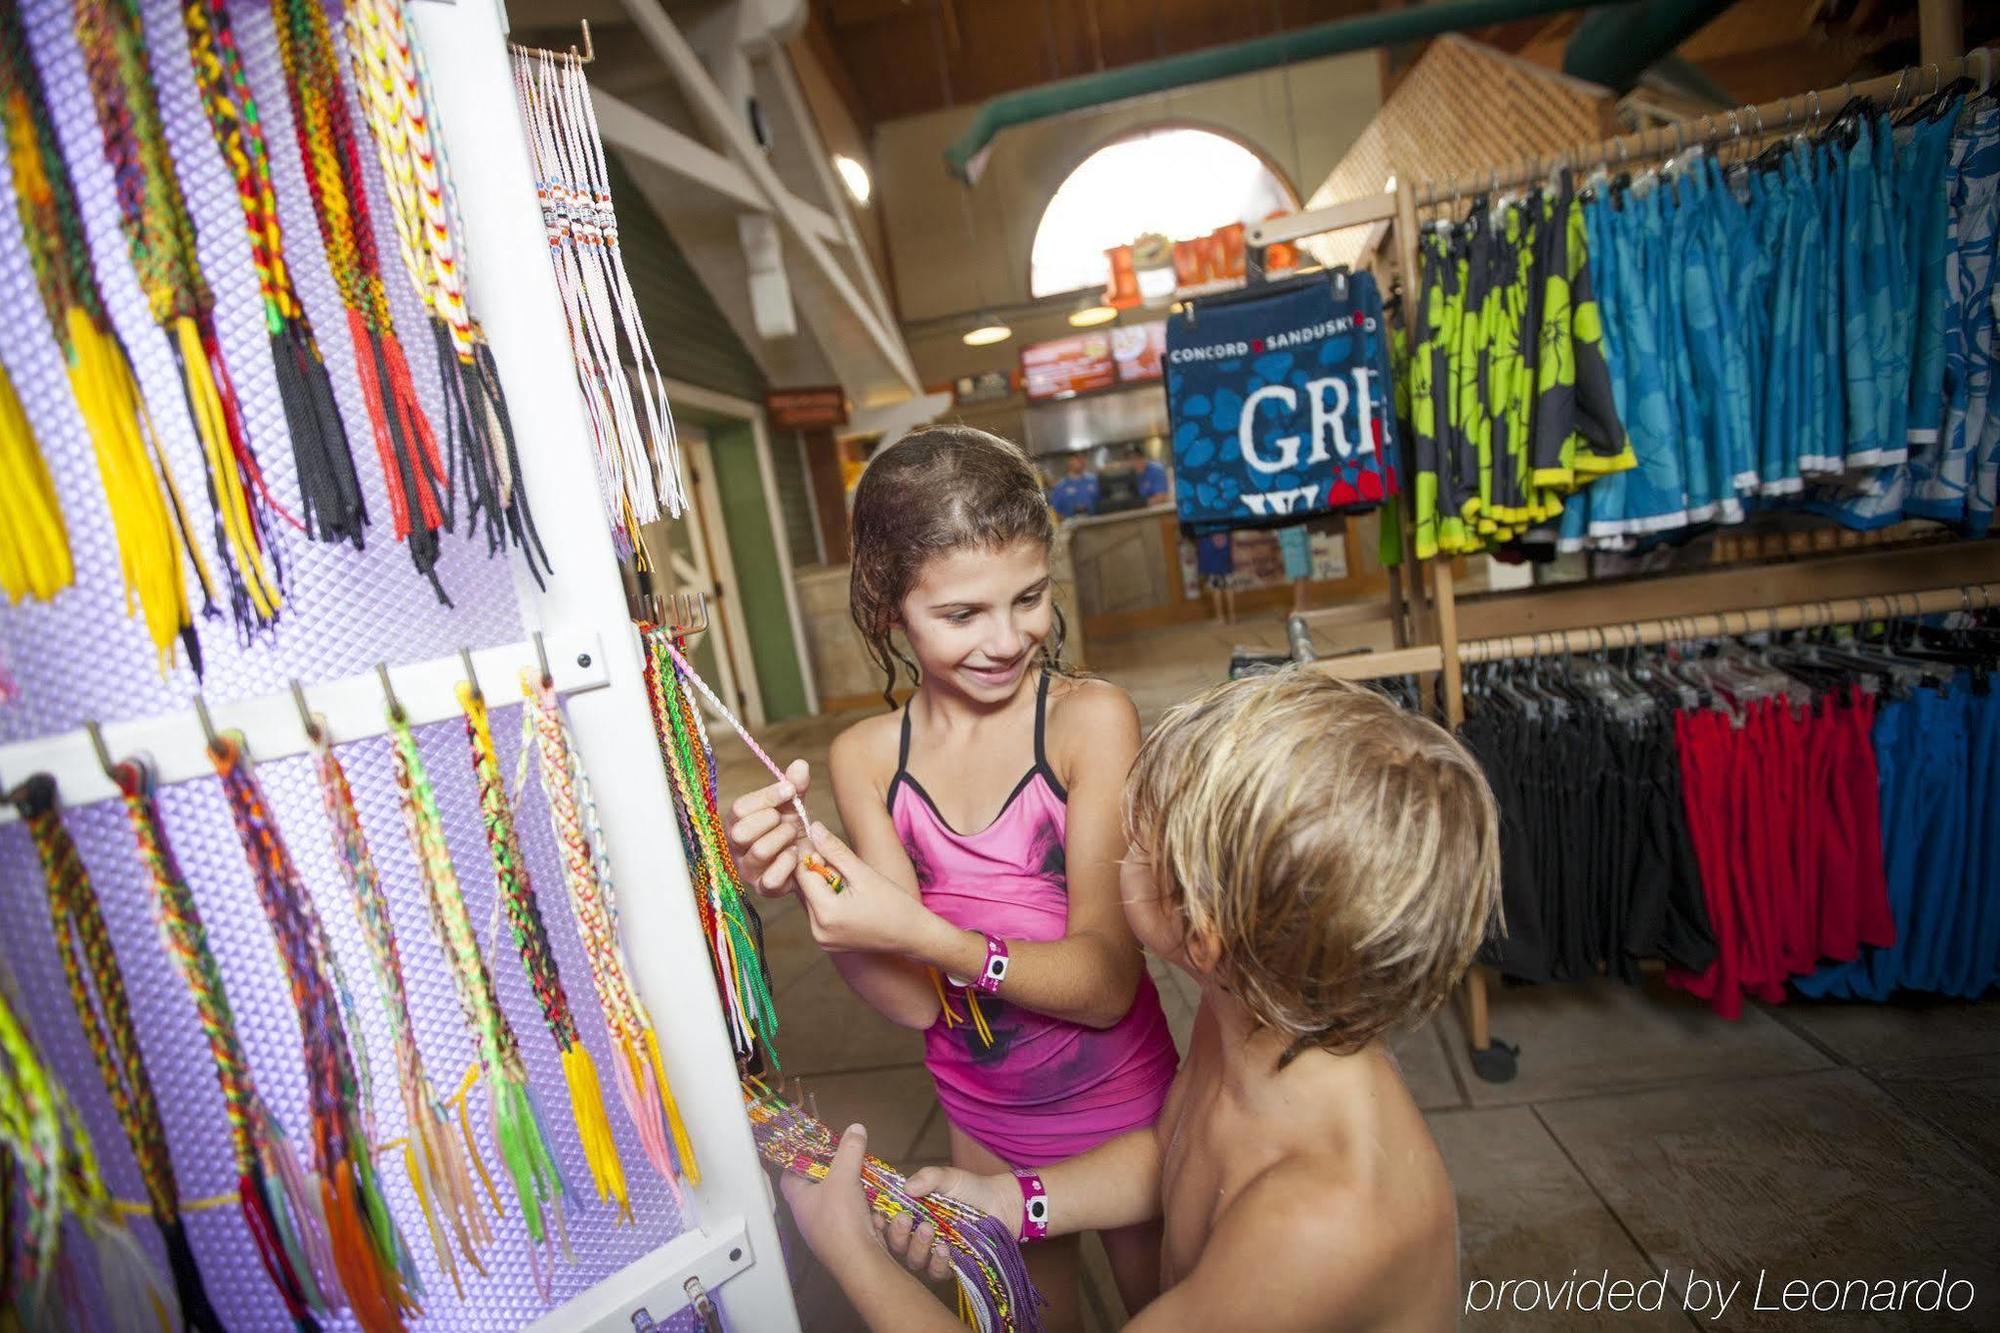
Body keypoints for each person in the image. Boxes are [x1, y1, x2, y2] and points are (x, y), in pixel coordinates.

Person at [780, 670, 1501, 1331]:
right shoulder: (1263, 1018)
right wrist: (1017, 1200)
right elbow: (1177, 1150)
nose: (1116, 840)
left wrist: (850, 1250)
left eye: (1140, 834)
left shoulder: (1317, 1224)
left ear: (1205, 937)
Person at [726, 426, 1178, 1330]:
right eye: (964, 614)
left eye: (1031, 598)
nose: (1010, 639)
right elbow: (914, 1003)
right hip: (985, 1123)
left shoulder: (1088, 722)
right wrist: (821, 892)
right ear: (888, 606)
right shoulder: (866, 758)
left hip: (1133, 1115)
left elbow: (1103, 983)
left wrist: (928, 932)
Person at [1194, 530, 1235, 623]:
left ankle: (1220, 617)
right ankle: (1232, 616)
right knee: (1229, 588)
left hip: (1213, 559)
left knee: (1217, 589)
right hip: (1226, 558)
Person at [1048, 451, 1100, 518]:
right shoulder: (1061, 487)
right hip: (1070, 526)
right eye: (1077, 458)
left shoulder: (1093, 480)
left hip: (1094, 524)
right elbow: (1054, 511)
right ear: (1069, 461)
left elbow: (1103, 503)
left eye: (1082, 457)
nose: (1081, 461)